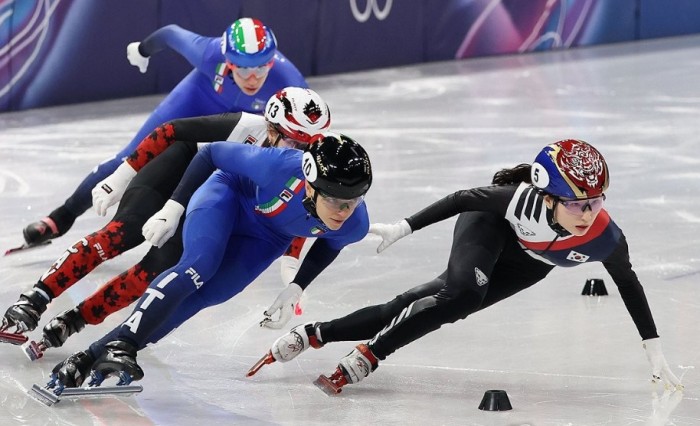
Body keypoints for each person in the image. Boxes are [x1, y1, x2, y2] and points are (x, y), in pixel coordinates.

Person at [256, 139, 683, 393]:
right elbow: (463, 198)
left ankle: (315, 333)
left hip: (529, 265)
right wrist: (405, 227)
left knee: (424, 304)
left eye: (595, 202)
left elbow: (629, 283)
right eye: (575, 204)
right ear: (547, 196)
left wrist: (654, 348)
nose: (587, 214)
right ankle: (370, 354)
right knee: (462, 296)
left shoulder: (605, 237)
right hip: (488, 227)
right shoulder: (517, 200)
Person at [1, 87, 330, 353]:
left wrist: (293, 265)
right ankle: (36, 297)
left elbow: (301, 209)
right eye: (294, 142)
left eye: (309, 145)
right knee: (123, 232)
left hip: (209, 200)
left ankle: (75, 320)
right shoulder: (245, 126)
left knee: (155, 272)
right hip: (178, 169)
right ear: (270, 129)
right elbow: (170, 130)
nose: (300, 152)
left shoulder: (308, 163)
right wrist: (122, 175)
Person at [46, 133, 372, 391]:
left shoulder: (355, 223)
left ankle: (89, 357)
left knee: (209, 294)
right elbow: (211, 153)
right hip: (227, 196)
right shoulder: (277, 167)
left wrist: (297, 286)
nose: (344, 211)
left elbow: (331, 244)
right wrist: (174, 207)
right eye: (334, 200)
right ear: (310, 186)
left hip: (268, 237)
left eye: (353, 201)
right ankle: (124, 344)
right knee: (199, 267)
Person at [21, 17, 307, 248]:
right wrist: (142, 50)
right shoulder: (209, 53)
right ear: (228, 61)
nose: (253, 78)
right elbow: (171, 33)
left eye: (261, 68)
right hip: (196, 98)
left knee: (240, 171)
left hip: (244, 119)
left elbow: (309, 136)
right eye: (243, 70)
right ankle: (60, 217)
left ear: (272, 62)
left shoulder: (290, 82)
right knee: (130, 158)